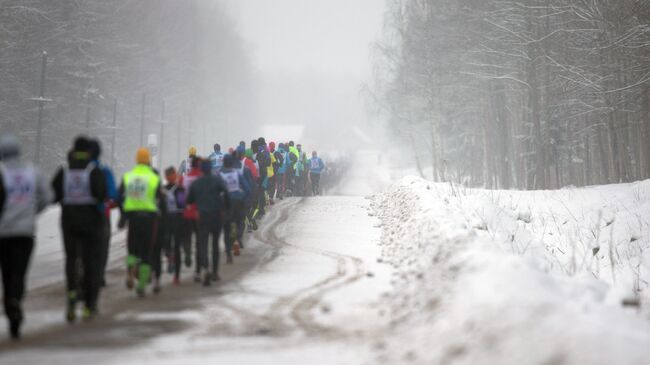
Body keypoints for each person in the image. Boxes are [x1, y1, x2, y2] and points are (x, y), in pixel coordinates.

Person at [0, 135, 52, 339]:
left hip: (3, 233)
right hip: (25, 232)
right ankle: (16, 300)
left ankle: (10, 304)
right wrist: (32, 211)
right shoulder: (32, 172)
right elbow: (48, 196)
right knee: (20, 272)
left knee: (6, 272)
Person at [52, 136, 107, 321]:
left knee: (71, 259)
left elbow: (54, 194)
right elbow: (102, 195)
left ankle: (72, 295)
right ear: (89, 151)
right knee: (90, 261)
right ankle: (89, 305)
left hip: (69, 221)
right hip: (91, 222)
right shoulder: (94, 170)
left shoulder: (64, 171)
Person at [118, 148, 164, 297]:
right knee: (146, 253)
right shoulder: (154, 177)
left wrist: (123, 215)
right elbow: (160, 198)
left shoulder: (128, 176)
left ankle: (130, 271)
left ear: (136, 160)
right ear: (149, 160)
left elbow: (120, 196)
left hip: (133, 218)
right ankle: (142, 286)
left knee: (132, 249)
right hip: (149, 219)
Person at [186, 159, 230, 286]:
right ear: (210, 168)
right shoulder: (217, 180)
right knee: (215, 244)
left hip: (202, 216)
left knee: (203, 244)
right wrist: (226, 208)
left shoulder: (197, 183)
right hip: (216, 215)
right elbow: (226, 192)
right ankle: (215, 271)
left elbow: (189, 200)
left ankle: (205, 268)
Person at [88, 139, 118, 288]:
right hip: (101, 214)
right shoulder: (104, 171)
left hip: (77, 216)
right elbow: (113, 194)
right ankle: (99, 275)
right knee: (102, 246)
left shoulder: (75, 170)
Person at [220, 154, 250, 262]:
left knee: (227, 225)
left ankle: (229, 250)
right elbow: (248, 189)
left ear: (223, 163)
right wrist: (242, 197)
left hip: (226, 202)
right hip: (238, 200)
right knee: (240, 221)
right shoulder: (237, 174)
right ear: (232, 163)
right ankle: (238, 239)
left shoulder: (220, 175)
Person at [161, 167, 186, 285]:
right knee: (165, 243)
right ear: (166, 177)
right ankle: (169, 257)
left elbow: (182, 205)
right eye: (169, 175)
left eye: (173, 175)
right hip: (166, 219)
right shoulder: (163, 189)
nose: (172, 177)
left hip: (177, 219)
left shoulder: (180, 189)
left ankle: (177, 275)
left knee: (177, 247)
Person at [179, 157, 202, 281]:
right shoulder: (203, 178)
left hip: (186, 213)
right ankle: (198, 271)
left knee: (186, 237)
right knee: (200, 242)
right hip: (200, 214)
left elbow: (180, 196)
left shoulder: (184, 178)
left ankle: (187, 251)